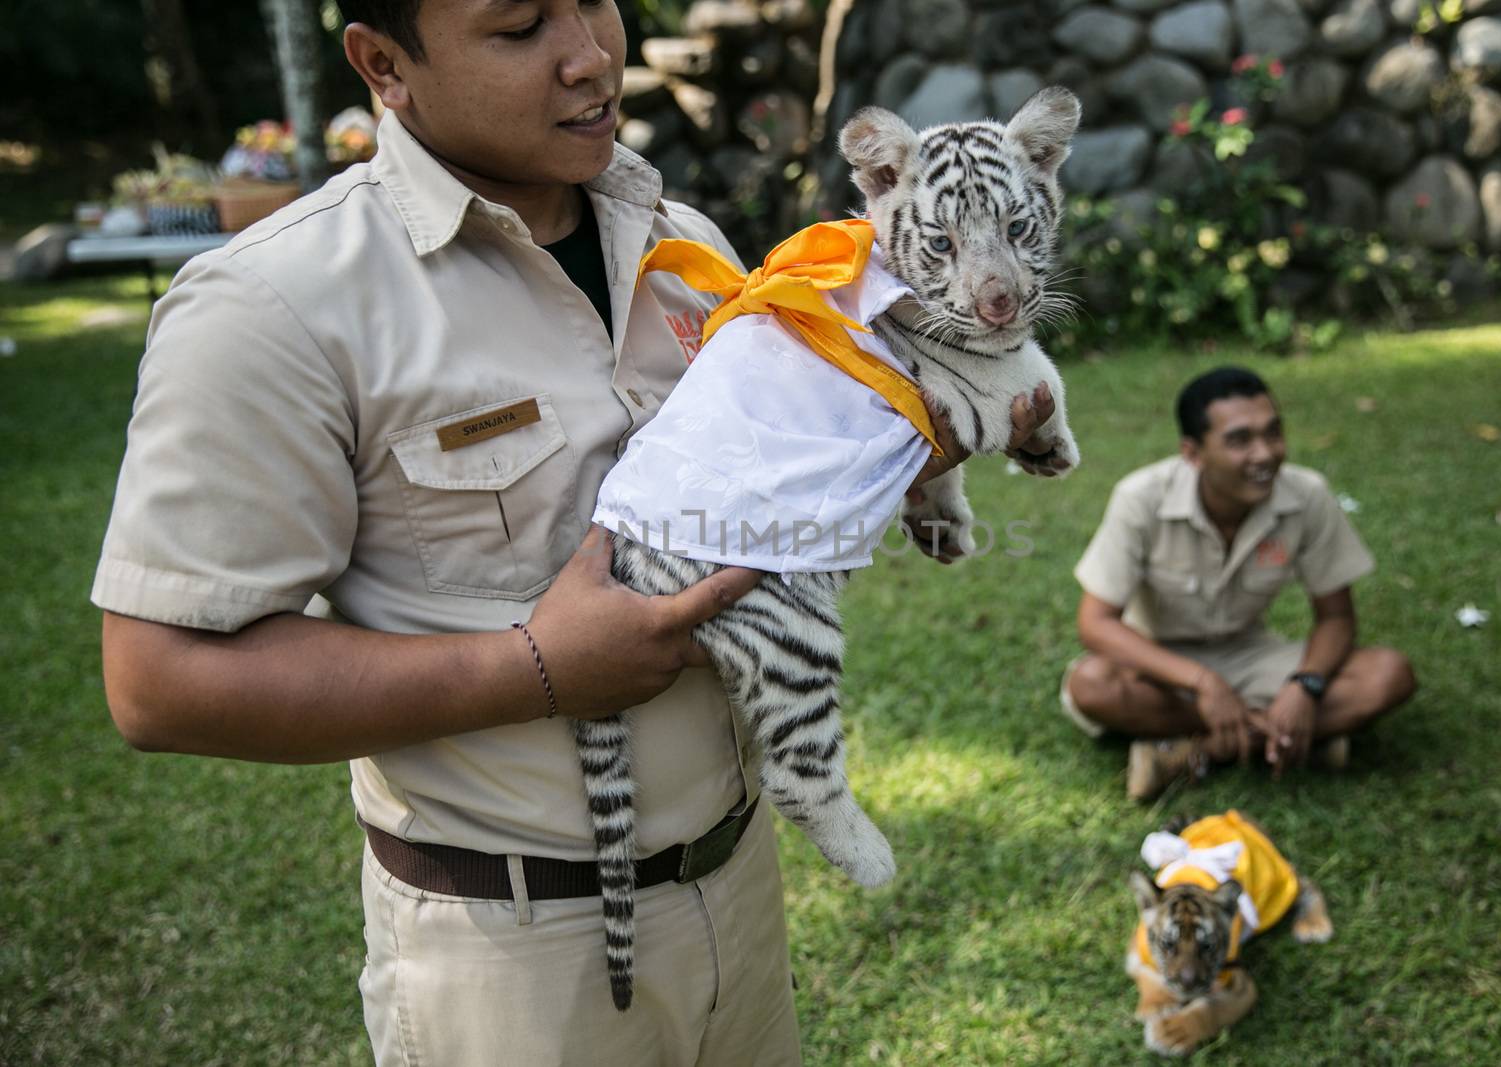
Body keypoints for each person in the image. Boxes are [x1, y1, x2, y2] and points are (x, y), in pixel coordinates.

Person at [92, 2, 1061, 1062]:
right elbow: (159, 679)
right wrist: (536, 669)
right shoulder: (269, 301)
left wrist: (899, 458)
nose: (592, 56)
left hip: (742, 887)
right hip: (512, 954)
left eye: (598, 1)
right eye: (519, 29)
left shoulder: (691, 246)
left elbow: (764, 514)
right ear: (383, 64)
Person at [1060, 366, 1415, 801]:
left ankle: (1195, 751)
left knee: (1388, 676)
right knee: (1091, 684)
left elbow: (1337, 617)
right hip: (1162, 666)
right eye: (1240, 440)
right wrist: (1203, 683)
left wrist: (1306, 687)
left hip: (1253, 656)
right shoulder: (1141, 498)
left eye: (1273, 433)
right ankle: (1289, 739)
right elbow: (1096, 624)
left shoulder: (1307, 495)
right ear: (1192, 453)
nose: (1264, 454)